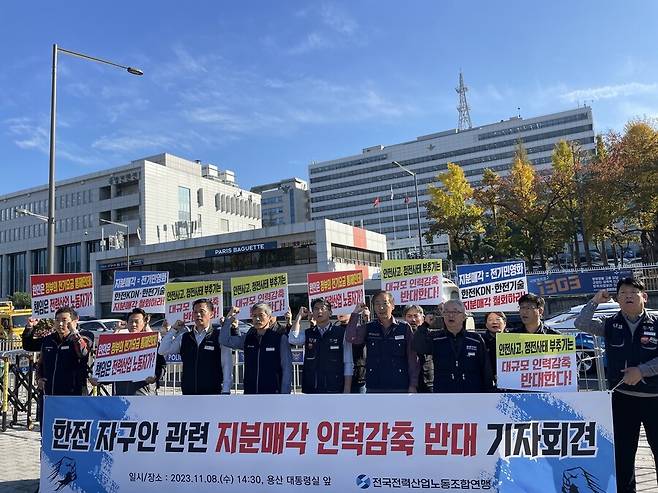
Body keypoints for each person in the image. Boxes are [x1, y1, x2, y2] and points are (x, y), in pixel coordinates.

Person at [575, 278, 658, 493]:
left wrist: (642, 371)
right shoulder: (610, 324)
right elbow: (581, 324)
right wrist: (595, 301)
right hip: (622, 399)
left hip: (654, 399)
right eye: (623, 292)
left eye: (633, 292)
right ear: (617, 298)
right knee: (622, 455)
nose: (628, 296)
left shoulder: (656, 324)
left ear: (644, 297)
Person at [346, 291, 420, 393]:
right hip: (375, 387)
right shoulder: (369, 327)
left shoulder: (404, 328)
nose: (381, 307)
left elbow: (412, 358)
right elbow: (351, 338)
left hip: (400, 386)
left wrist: (413, 384)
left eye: (385, 303)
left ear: (392, 305)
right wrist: (355, 314)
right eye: (377, 304)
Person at [414, 299, 493, 393]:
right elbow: (418, 346)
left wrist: (488, 392)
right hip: (444, 392)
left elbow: (486, 368)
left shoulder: (475, 339)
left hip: (472, 392)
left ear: (464, 316)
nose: (451, 315)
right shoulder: (436, 338)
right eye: (446, 312)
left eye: (455, 312)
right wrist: (425, 325)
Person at [158, 299, 232, 395]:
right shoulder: (184, 337)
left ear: (211, 314)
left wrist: (226, 390)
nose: (198, 315)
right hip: (189, 393)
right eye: (195, 312)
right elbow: (162, 350)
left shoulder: (219, 336)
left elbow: (227, 365)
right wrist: (173, 329)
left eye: (202, 311)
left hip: (213, 393)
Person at [91, 308, 166, 396]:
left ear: (144, 323)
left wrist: (155, 376)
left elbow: (162, 366)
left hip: (144, 395)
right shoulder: (118, 345)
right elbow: (111, 371)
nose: (133, 324)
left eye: (136, 321)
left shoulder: (152, 343)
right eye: (130, 321)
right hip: (121, 396)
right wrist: (99, 379)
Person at [220, 303, 292, 394]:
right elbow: (224, 340)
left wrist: (285, 395)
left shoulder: (280, 339)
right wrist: (228, 320)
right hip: (250, 393)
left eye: (261, 315)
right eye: (254, 316)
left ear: (269, 317)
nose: (257, 319)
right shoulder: (248, 338)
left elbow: (287, 369)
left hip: (273, 394)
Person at [289, 299, 353, 394]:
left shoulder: (341, 333)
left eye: (322, 308)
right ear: (312, 313)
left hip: (334, 387)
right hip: (312, 388)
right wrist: (299, 317)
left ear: (330, 313)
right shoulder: (308, 333)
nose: (319, 311)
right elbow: (293, 339)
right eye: (316, 309)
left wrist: (347, 389)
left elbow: (348, 362)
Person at [37, 306, 89, 397]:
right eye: (57, 320)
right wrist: (39, 378)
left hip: (73, 395)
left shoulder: (82, 337)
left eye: (64, 320)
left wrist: (74, 332)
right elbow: (40, 363)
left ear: (74, 321)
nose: (60, 324)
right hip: (49, 394)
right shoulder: (48, 340)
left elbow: (83, 353)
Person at [402, 304, 434, 393]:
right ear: (404, 318)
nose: (413, 320)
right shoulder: (399, 335)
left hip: (427, 383)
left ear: (422, 318)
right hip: (405, 384)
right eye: (409, 316)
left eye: (416, 316)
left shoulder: (430, 335)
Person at [481, 311, 507, 382]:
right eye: (490, 320)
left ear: (504, 323)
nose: (494, 322)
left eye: (498, 319)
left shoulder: (514, 339)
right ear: (486, 325)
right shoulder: (480, 341)